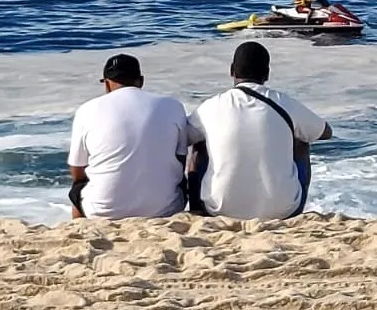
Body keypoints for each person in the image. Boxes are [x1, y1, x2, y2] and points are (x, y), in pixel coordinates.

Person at [187, 41, 333, 219]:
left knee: (199, 144)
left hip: (220, 209)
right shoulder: (284, 102)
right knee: (302, 140)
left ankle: (196, 208)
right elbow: (325, 132)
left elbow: (185, 136)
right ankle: (285, 200)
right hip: (282, 211)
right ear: (267, 73)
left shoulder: (211, 106)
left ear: (232, 71)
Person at [67, 54, 190, 220]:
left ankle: (81, 233)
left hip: (104, 211)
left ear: (107, 84)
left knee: (77, 189)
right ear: (141, 81)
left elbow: (77, 170)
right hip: (165, 208)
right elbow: (181, 159)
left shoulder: (87, 110)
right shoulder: (173, 106)